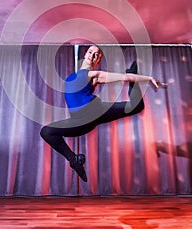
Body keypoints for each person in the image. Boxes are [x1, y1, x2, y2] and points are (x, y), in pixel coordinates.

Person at [40, 45, 167, 182]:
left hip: (94, 110)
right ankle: (74, 160)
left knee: (136, 106)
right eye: (90, 52)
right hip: (79, 121)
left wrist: (149, 78)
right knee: (46, 132)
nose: (92, 56)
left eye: (96, 55)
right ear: (85, 54)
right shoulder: (73, 76)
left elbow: (124, 77)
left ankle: (133, 85)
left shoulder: (95, 75)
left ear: (98, 61)